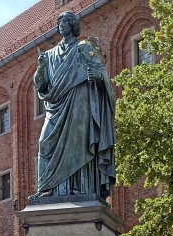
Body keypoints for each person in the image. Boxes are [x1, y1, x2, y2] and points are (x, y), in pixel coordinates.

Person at [32, 11, 116, 199]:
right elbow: (41, 84)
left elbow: (101, 73)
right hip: (55, 107)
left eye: (65, 21)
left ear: (72, 25)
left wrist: (98, 77)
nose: (61, 24)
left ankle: (82, 188)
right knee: (44, 143)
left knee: (79, 145)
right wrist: (41, 68)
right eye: (59, 22)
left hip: (79, 103)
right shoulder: (49, 55)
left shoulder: (84, 48)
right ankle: (47, 188)